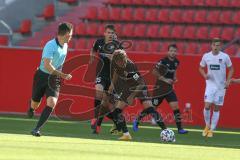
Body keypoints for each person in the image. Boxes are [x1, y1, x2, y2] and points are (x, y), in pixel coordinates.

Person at [27, 22, 73, 136]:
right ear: (66, 34)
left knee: (52, 102)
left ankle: (36, 129)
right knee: (35, 103)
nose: (71, 37)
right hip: (42, 76)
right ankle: (32, 108)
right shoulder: (50, 45)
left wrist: (59, 76)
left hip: (54, 78)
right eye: (71, 35)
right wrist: (63, 75)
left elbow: (59, 64)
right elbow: (47, 65)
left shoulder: (66, 46)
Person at [110, 50, 167, 140]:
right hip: (128, 87)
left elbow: (140, 83)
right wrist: (110, 89)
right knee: (117, 111)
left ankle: (166, 130)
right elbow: (115, 75)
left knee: (150, 109)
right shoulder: (115, 63)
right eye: (119, 62)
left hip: (140, 86)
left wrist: (131, 96)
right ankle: (126, 135)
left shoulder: (130, 66)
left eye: (123, 61)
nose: (122, 63)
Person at [199, 38, 234, 137]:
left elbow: (231, 69)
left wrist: (228, 80)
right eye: (214, 45)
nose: (216, 47)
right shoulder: (206, 56)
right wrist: (205, 75)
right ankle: (207, 125)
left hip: (221, 87)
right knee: (207, 106)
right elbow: (200, 67)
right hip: (210, 85)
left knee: (216, 109)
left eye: (218, 45)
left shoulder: (225, 57)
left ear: (220, 46)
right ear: (211, 45)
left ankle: (212, 129)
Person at [151, 44, 188, 134]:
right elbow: (154, 71)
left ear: (176, 52)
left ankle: (180, 129)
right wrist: (165, 79)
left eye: (174, 51)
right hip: (159, 88)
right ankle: (138, 120)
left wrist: (175, 78)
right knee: (151, 107)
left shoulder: (176, 62)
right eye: (171, 51)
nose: (173, 52)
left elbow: (174, 71)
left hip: (169, 89)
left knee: (175, 106)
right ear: (168, 52)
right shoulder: (162, 61)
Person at [89, 24, 121, 131]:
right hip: (101, 73)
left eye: (112, 33)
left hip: (113, 76)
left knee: (107, 105)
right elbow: (93, 50)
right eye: (108, 32)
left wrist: (113, 58)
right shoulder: (99, 42)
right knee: (98, 93)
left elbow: (121, 62)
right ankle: (94, 117)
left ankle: (99, 125)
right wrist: (92, 56)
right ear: (104, 33)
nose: (110, 34)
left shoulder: (117, 45)